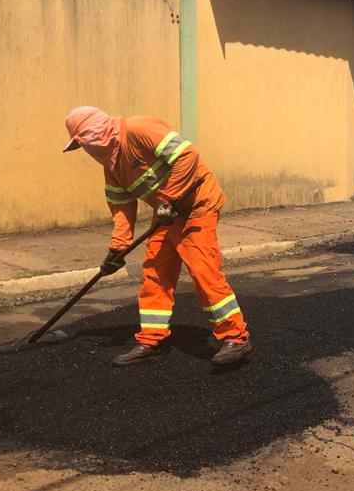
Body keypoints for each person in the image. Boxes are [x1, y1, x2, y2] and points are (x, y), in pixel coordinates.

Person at [63, 106, 252, 368]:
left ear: (95, 133)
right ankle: (152, 339)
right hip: (168, 213)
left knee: (202, 269)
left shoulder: (138, 129)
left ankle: (235, 337)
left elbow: (187, 155)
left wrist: (168, 199)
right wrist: (117, 249)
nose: (87, 150)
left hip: (198, 204)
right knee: (155, 272)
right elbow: (122, 207)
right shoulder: (112, 165)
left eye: (84, 144)